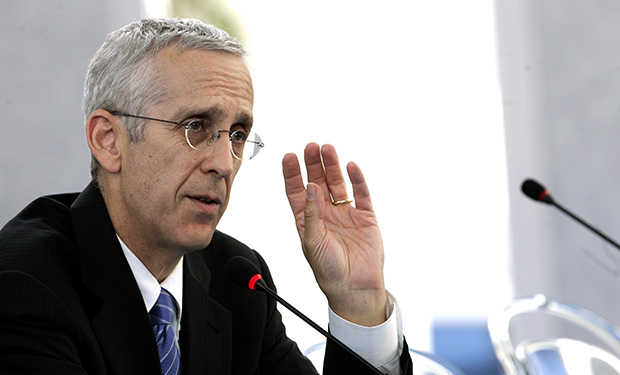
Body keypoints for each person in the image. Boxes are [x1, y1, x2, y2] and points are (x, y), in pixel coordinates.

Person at [0, 18, 412, 375]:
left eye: (237, 135)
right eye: (195, 126)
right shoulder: (24, 285)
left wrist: (358, 301)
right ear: (109, 141)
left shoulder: (238, 281)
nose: (224, 163)